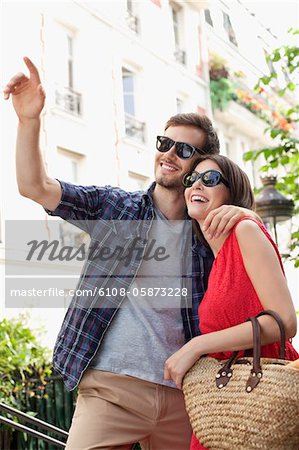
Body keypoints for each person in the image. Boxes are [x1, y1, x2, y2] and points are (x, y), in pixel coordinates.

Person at [4, 57, 259, 450]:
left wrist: (245, 215)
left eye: (183, 149)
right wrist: (29, 122)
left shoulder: (213, 233)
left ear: (202, 165)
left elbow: (249, 301)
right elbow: (35, 186)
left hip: (186, 394)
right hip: (110, 390)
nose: (168, 153)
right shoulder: (115, 208)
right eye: (164, 143)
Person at [163, 154, 299, 450]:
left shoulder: (245, 232)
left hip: (262, 403)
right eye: (191, 179)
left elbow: (286, 321)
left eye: (209, 179)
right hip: (226, 408)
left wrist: (196, 346)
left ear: (232, 194)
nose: (196, 184)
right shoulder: (216, 258)